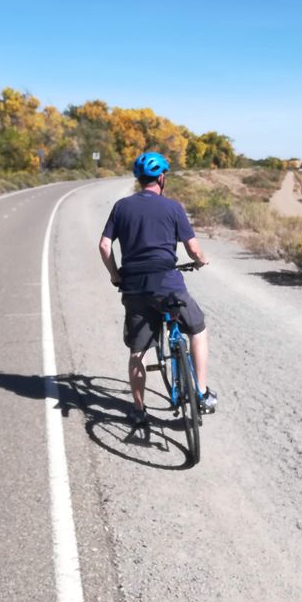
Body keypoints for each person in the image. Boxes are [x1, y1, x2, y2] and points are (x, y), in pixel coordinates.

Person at [98, 151, 217, 427]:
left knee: (137, 352)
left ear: (139, 179)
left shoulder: (121, 207)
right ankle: (201, 392)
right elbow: (193, 248)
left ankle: (139, 411)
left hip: (135, 288)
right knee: (197, 330)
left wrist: (116, 275)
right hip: (168, 285)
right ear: (162, 177)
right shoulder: (173, 207)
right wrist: (201, 261)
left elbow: (105, 245)